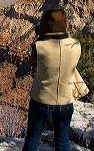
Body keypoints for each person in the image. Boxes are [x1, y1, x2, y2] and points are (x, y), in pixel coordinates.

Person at [23, 9, 81, 151]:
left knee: (33, 137)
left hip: (41, 99)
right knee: (62, 140)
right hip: (66, 100)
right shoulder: (76, 45)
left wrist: (40, 35)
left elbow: (34, 65)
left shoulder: (39, 46)